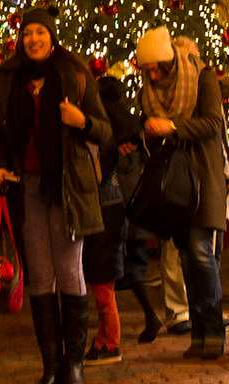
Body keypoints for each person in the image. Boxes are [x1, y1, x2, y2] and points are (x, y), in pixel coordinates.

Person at [0, 8, 112, 384]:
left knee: (70, 272)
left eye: (41, 33)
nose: (34, 40)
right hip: (27, 188)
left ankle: (74, 363)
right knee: (40, 276)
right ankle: (51, 364)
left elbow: (106, 132)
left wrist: (83, 122)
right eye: (28, 34)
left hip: (67, 188)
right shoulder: (8, 80)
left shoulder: (74, 75)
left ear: (52, 37)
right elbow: (0, 134)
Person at [130, 29, 229, 361]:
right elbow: (147, 123)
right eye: (147, 71)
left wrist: (172, 127)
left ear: (170, 62)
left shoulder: (202, 77)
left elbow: (213, 123)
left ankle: (213, 330)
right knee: (187, 257)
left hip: (203, 178)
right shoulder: (150, 90)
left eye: (157, 68)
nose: (153, 76)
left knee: (202, 253)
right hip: (174, 186)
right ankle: (200, 333)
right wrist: (148, 128)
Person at [82, 74, 141, 363]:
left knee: (104, 289)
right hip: (113, 211)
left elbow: (99, 174)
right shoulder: (122, 127)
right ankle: (104, 339)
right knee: (103, 288)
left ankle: (110, 342)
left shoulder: (103, 135)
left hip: (105, 213)